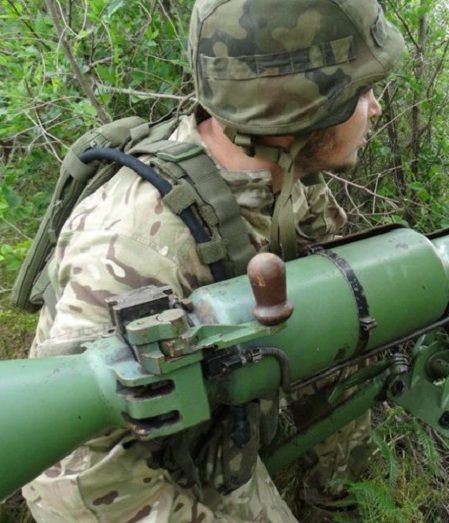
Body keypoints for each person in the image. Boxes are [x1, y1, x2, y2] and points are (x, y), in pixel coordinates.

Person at [21, 0, 404, 520]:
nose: (375, 109)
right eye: (362, 92)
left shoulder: (283, 170)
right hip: (151, 456)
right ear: (300, 110)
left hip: (220, 398)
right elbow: (71, 480)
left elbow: (331, 281)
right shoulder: (136, 245)